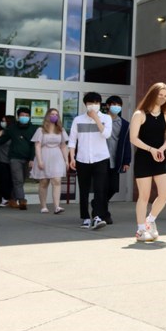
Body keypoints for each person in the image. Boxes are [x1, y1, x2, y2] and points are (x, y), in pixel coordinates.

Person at [128, 83, 166, 243]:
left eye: (165, 95)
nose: (162, 98)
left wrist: (161, 149)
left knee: (165, 195)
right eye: (160, 94)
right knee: (144, 196)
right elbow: (133, 138)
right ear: (152, 94)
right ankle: (141, 230)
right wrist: (151, 150)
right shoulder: (139, 114)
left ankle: (150, 220)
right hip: (144, 158)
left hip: (160, 157)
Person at [67, 92, 112, 230]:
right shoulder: (78, 120)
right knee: (84, 190)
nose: (93, 106)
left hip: (101, 158)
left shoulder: (106, 118)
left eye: (96, 103)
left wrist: (96, 119)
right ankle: (85, 217)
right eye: (90, 103)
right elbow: (72, 140)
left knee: (99, 189)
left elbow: (106, 134)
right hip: (82, 159)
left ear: (100, 104)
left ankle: (97, 216)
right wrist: (72, 157)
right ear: (85, 105)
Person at [0, 107, 38, 210]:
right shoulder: (12, 128)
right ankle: (22, 201)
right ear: (18, 116)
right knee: (18, 180)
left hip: (28, 159)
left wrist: (32, 159)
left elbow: (34, 145)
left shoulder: (34, 129)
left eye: (26, 115)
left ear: (29, 117)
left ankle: (12, 198)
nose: (24, 117)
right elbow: (2, 140)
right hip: (14, 158)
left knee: (21, 180)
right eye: (22, 115)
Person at [30, 108, 69, 214]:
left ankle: (57, 206)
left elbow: (63, 146)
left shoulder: (61, 130)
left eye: (56, 114)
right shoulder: (41, 130)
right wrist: (39, 160)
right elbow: (37, 146)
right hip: (44, 155)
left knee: (57, 180)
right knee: (44, 181)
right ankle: (43, 206)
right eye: (52, 114)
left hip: (57, 156)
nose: (54, 116)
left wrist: (66, 160)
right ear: (47, 116)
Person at [103, 96, 132, 221]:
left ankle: (97, 204)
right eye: (114, 104)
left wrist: (126, 160)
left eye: (119, 105)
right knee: (102, 187)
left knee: (113, 187)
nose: (116, 107)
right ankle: (104, 213)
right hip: (101, 159)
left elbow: (127, 143)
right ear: (108, 106)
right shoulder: (101, 120)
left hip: (116, 160)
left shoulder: (124, 124)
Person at [0, 115, 16, 207]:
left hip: (9, 160)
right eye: (2, 120)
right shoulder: (1, 132)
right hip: (1, 160)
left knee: (8, 181)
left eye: (4, 121)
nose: (2, 122)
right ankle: (4, 199)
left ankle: (8, 199)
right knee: (3, 181)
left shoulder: (11, 133)